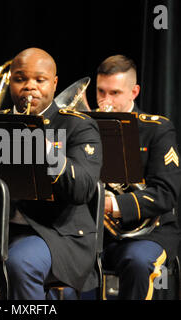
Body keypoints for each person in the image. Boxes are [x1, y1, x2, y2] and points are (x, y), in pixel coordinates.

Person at [6, 47, 103, 299]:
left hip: (58, 234)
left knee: (20, 263)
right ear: (10, 80)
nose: (30, 87)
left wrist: (47, 150)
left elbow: (82, 188)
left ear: (55, 83)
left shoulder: (78, 125)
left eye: (40, 80)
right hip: (2, 229)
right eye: (20, 79)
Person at [96, 54, 181, 299]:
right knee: (62, 257)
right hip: (98, 234)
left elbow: (166, 193)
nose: (105, 102)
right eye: (101, 92)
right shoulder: (86, 127)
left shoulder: (157, 129)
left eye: (114, 93)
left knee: (136, 262)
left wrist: (113, 204)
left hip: (149, 232)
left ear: (134, 91)